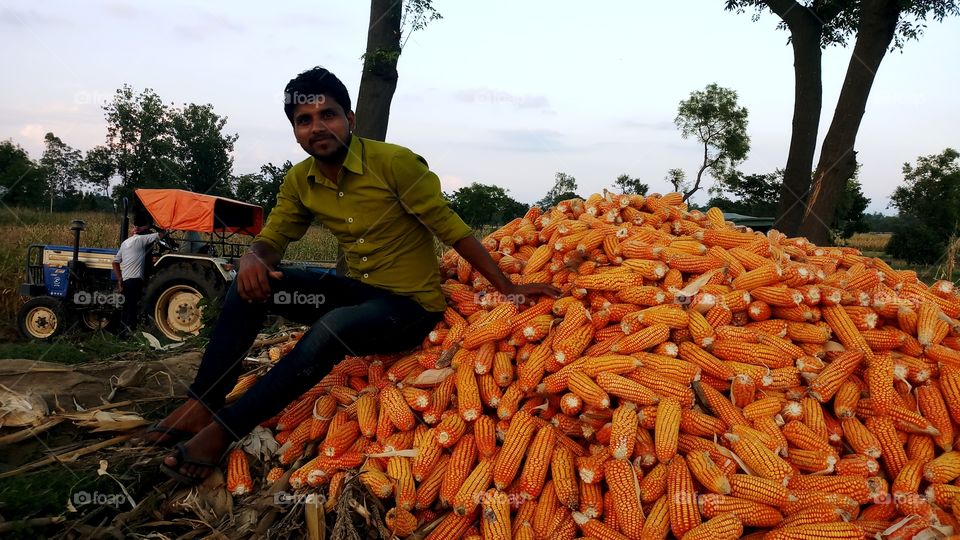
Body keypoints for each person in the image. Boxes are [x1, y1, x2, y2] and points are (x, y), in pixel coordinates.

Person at [144, 66, 561, 484]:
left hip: (408, 309)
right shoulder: (300, 181)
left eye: (328, 115)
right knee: (253, 283)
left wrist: (508, 287)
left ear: (351, 120)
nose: (317, 127)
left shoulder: (395, 163)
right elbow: (274, 239)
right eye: (304, 120)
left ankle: (225, 430)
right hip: (358, 293)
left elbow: (451, 228)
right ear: (294, 131)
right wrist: (254, 255)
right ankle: (204, 400)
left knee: (334, 327)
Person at [112, 223, 167, 337]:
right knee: (132, 307)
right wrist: (149, 226)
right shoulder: (141, 239)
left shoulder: (125, 243)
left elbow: (115, 262)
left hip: (126, 280)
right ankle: (129, 334)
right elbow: (163, 233)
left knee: (126, 308)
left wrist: (119, 279)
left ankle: (121, 334)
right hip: (135, 280)